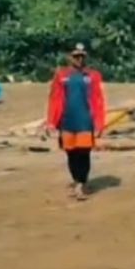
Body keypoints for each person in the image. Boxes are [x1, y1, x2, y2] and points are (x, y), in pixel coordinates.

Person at [45, 44, 107, 200]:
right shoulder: (61, 76)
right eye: (76, 56)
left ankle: (81, 183)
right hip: (67, 121)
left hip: (85, 121)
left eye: (82, 56)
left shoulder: (92, 76)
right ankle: (76, 180)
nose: (79, 59)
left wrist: (100, 123)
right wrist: (51, 121)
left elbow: (98, 100)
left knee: (83, 153)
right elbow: (55, 99)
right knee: (71, 153)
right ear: (70, 57)